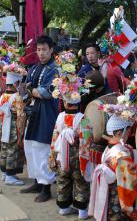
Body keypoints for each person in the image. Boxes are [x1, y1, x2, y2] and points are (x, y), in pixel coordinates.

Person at [48, 51, 90, 219]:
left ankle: (64, 207)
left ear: (65, 101)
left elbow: (54, 137)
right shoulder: (83, 119)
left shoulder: (60, 117)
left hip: (62, 156)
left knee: (63, 181)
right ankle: (82, 211)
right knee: (80, 182)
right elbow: (88, 139)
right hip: (78, 156)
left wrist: (53, 155)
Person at [20, 35, 59, 203]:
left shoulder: (55, 70)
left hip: (47, 112)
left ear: (51, 50)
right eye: (39, 49)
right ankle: (37, 181)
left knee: (42, 147)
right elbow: (24, 88)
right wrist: (29, 91)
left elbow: (47, 92)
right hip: (33, 110)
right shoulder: (34, 68)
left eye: (44, 49)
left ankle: (46, 188)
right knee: (30, 146)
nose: (41, 53)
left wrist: (30, 90)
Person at [88, 115, 137, 221]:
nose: (129, 134)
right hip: (117, 195)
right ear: (119, 133)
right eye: (128, 132)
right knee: (118, 216)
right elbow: (130, 180)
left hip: (108, 190)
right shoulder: (122, 155)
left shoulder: (109, 147)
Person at [0, 64, 27, 185]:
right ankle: (10, 175)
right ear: (16, 83)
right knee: (12, 150)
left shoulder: (3, 95)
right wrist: (21, 132)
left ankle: (5, 173)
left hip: (3, 124)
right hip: (13, 126)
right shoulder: (17, 97)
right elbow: (21, 115)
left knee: (5, 149)